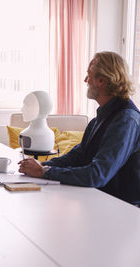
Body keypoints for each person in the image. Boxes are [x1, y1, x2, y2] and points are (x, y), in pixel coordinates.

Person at [18, 51, 140, 205]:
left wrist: (44, 172)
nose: (85, 80)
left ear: (101, 81)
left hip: (123, 210)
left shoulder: (126, 120)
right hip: (100, 200)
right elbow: (78, 156)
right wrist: (41, 166)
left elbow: (97, 174)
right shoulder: (101, 117)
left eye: (89, 75)